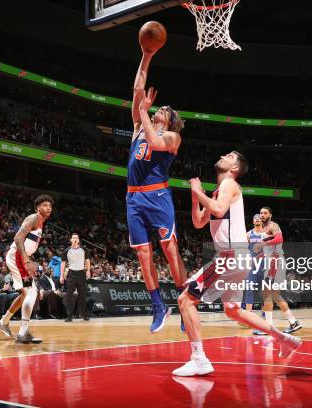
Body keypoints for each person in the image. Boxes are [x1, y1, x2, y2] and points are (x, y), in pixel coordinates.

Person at [174, 152, 302, 377]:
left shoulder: (230, 184)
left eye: (230, 156)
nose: (223, 155)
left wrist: (196, 191)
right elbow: (197, 222)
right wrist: (196, 197)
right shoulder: (218, 191)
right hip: (237, 256)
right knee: (233, 310)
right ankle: (285, 338)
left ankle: (199, 359)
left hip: (230, 256)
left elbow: (218, 210)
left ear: (234, 168)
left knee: (185, 300)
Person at [127, 49, 187, 332]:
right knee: (142, 254)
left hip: (157, 194)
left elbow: (154, 141)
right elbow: (138, 88)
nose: (161, 108)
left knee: (170, 249)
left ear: (172, 121)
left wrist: (143, 112)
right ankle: (158, 306)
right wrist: (147, 54)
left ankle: (185, 301)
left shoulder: (173, 136)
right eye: (160, 107)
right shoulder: (139, 125)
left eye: (166, 110)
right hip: (133, 196)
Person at [0, 194, 54, 344]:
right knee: (32, 292)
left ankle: (4, 321)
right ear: (37, 207)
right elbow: (18, 238)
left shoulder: (40, 223)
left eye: (50, 206)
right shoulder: (33, 217)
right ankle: (23, 332)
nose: (48, 208)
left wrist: (28, 259)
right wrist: (26, 260)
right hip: (17, 257)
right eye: (45, 205)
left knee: (25, 294)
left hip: (21, 258)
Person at [252, 207, 302, 335]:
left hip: (276, 262)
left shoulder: (273, 225)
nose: (262, 215)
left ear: (270, 215)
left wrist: (262, 244)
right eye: (261, 213)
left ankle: (269, 327)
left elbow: (279, 239)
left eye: (265, 213)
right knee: (274, 295)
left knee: (267, 294)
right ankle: (293, 322)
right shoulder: (263, 229)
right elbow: (269, 248)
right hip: (273, 262)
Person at [60, 233, 91, 322]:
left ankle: (84, 315)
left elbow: (87, 260)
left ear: (79, 240)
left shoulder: (84, 250)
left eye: (76, 238)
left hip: (81, 273)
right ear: (70, 240)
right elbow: (63, 263)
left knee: (82, 295)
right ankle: (69, 316)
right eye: (73, 238)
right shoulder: (66, 251)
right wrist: (62, 275)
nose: (75, 239)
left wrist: (88, 270)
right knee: (69, 296)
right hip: (71, 274)